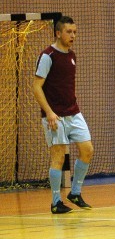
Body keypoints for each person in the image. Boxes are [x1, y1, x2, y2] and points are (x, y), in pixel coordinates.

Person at [31, 16, 94, 214]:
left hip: (73, 112)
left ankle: (75, 193)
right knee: (58, 157)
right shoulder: (48, 55)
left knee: (87, 149)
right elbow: (36, 87)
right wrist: (49, 113)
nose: (73, 35)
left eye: (75, 32)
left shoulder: (72, 55)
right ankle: (56, 202)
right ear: (58, 33)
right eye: (69, 32)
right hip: (54, 116)